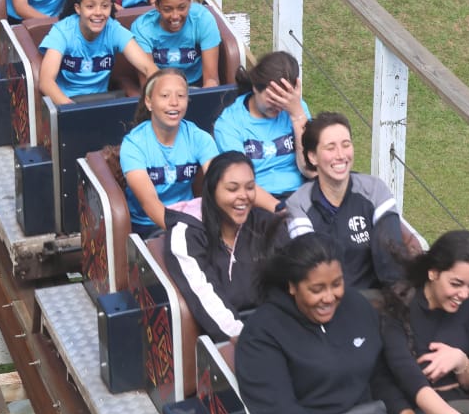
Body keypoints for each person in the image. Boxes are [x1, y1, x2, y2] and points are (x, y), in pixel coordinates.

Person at [235, 234, 403, 414]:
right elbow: (277, 408)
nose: (329, 297)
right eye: (317, 289)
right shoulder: (262, 333)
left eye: (337, 284)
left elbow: (377, 371)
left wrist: (403, 412)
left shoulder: (357, 307)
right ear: (292, 286)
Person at [381, 229, 469, 414]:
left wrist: (460, 361)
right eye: (456, 284)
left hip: (463, 406)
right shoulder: (400, 305)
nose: (464, 294)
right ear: (433, 273)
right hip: (420, 412)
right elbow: (409, 378)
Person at [164, 151, 279, 340]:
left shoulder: (263, 224)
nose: (243, 196)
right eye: (232, 189)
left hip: (272, 329)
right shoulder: (186, 235)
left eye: (249, 187)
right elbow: (206, 300)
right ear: (211, 190)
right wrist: (251, 343)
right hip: (228, 342)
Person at [285, 111, 405, 291]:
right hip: (327, 306)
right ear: (312, 157)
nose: (341, 155)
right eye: (330, 147)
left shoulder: (374, 190)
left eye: (346, 144)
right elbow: (313, 272)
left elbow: (392, 264)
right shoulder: (298, 204)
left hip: (379, 304)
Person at [119, 68, 217, 235]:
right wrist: (181, 231)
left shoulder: (200, 138)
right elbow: (149, 202)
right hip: (147, 225)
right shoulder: (133, 144)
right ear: (149, 102)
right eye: (165, 96)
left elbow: (219, 181)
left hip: (191, 219)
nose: (174, 102)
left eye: (181, 96)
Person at [213, 50, 312, 212]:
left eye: (284, 99)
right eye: (273, 99)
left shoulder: (296, 108)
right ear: (256, 87)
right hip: (257, 202)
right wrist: (280, 209)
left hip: (301, 195)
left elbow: (310, 169)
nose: (279, 106)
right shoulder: (229, 123)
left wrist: (297, 115)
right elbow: (242, 182)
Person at [38, 0, 155, 105]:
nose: (98, 12)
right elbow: (46, 82)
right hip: (66, 103)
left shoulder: (113, 29)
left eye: (105, 6)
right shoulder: (62, 31)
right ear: (78, 8)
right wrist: (72, 110)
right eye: (90, 6)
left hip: (103, 102)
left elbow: (148, 67)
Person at [132, 0, 221, 88]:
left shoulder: (203, 20)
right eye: (168, 9)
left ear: (190, 2)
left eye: (181, 8)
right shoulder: (142, 29)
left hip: (196, 84)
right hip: (160, 87)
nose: (175, 16)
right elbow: (148, 84)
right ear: (157, 6)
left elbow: (211, 79)